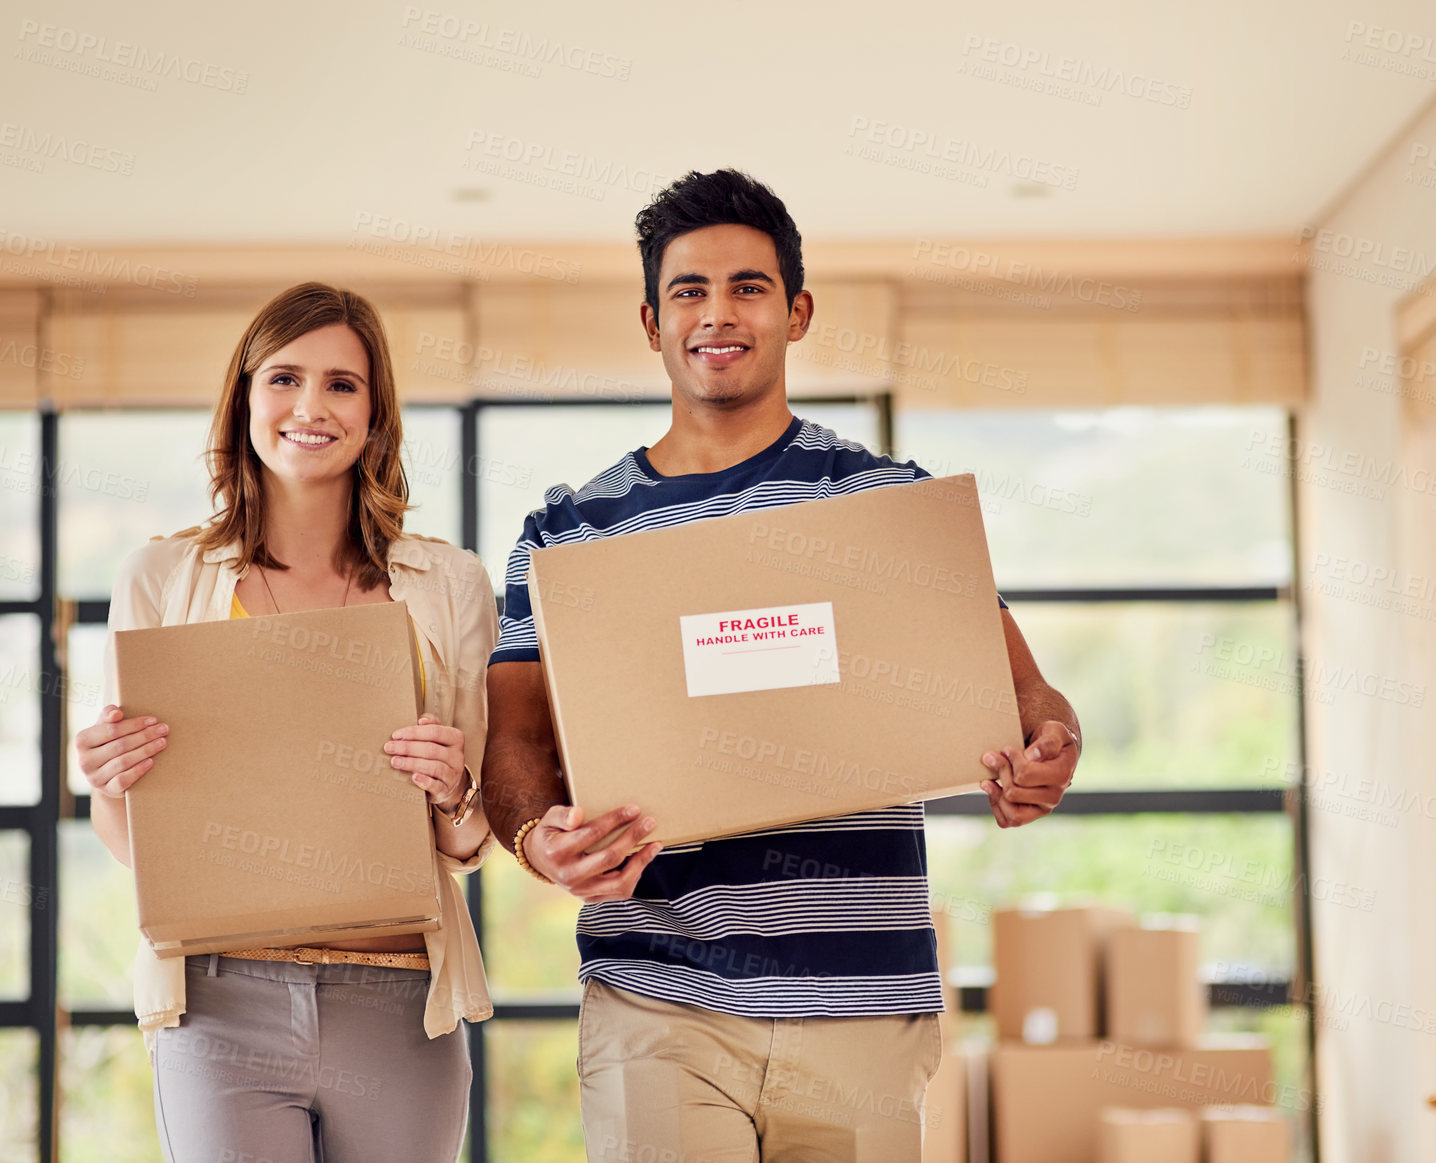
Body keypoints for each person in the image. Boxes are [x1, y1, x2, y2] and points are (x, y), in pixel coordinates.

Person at [484, 170, 1082, 1161]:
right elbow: (515, 741)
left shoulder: (888, 504)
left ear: (796, 311)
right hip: (657, 995)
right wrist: (532, 836)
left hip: (859, 1007)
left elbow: (1022, 689)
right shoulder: (566, 532)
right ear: (650, 320)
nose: (717, 313)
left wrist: (1048, 741)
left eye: (748, 287)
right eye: (689, 291)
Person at [78, 282, 497, 1163]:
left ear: (376, 414)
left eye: (343, 385)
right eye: (285, 378)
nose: (311, 406)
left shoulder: (448, 582)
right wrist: (111, 778)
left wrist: (455, 787)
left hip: (401, 1003)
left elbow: (468, 837)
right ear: (245, 397)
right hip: (220, 1000)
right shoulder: (163, 575)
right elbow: (133, 842)